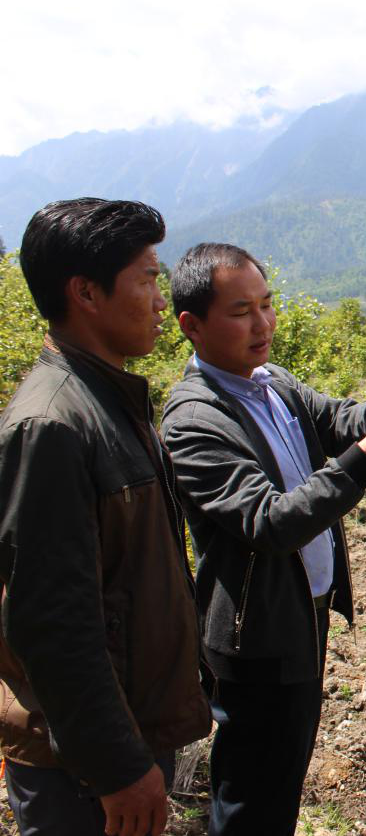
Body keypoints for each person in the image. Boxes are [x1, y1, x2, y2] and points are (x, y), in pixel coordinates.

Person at [160, 243, 366, 836]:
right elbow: (269, 524)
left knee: (281, 775)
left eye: (267, 305)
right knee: (253, 792)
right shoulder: (194, 420)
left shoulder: (268, 383)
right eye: (241, 312)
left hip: (298, 615)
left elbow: (328, 416)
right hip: (256, 635)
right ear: (192, 326)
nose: (263, 323)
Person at [0, 199, 210, 836]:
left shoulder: (109, 398)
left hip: (118, 735)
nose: (158, 298)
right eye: (146, 278)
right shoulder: (52, 426)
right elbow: (53, 623)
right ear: (85, 292)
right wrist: (117, 765)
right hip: (80, 768)